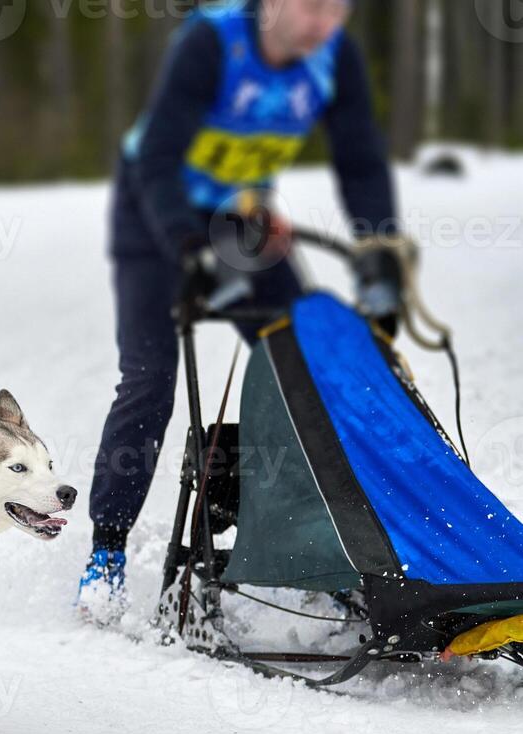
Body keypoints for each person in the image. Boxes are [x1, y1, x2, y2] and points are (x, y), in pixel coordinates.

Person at [76, 0, 402, 623]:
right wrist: (187, 247)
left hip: (239, 221)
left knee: (308, 367)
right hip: (153, 216)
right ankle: (106, 553)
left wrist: (379, 249)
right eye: (312, 8)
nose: (323, 25)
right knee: (150, 380)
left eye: (338, 12)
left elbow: (360, 158)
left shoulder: (334, 58)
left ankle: (327, 546)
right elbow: (158, 159)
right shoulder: (212, 43)